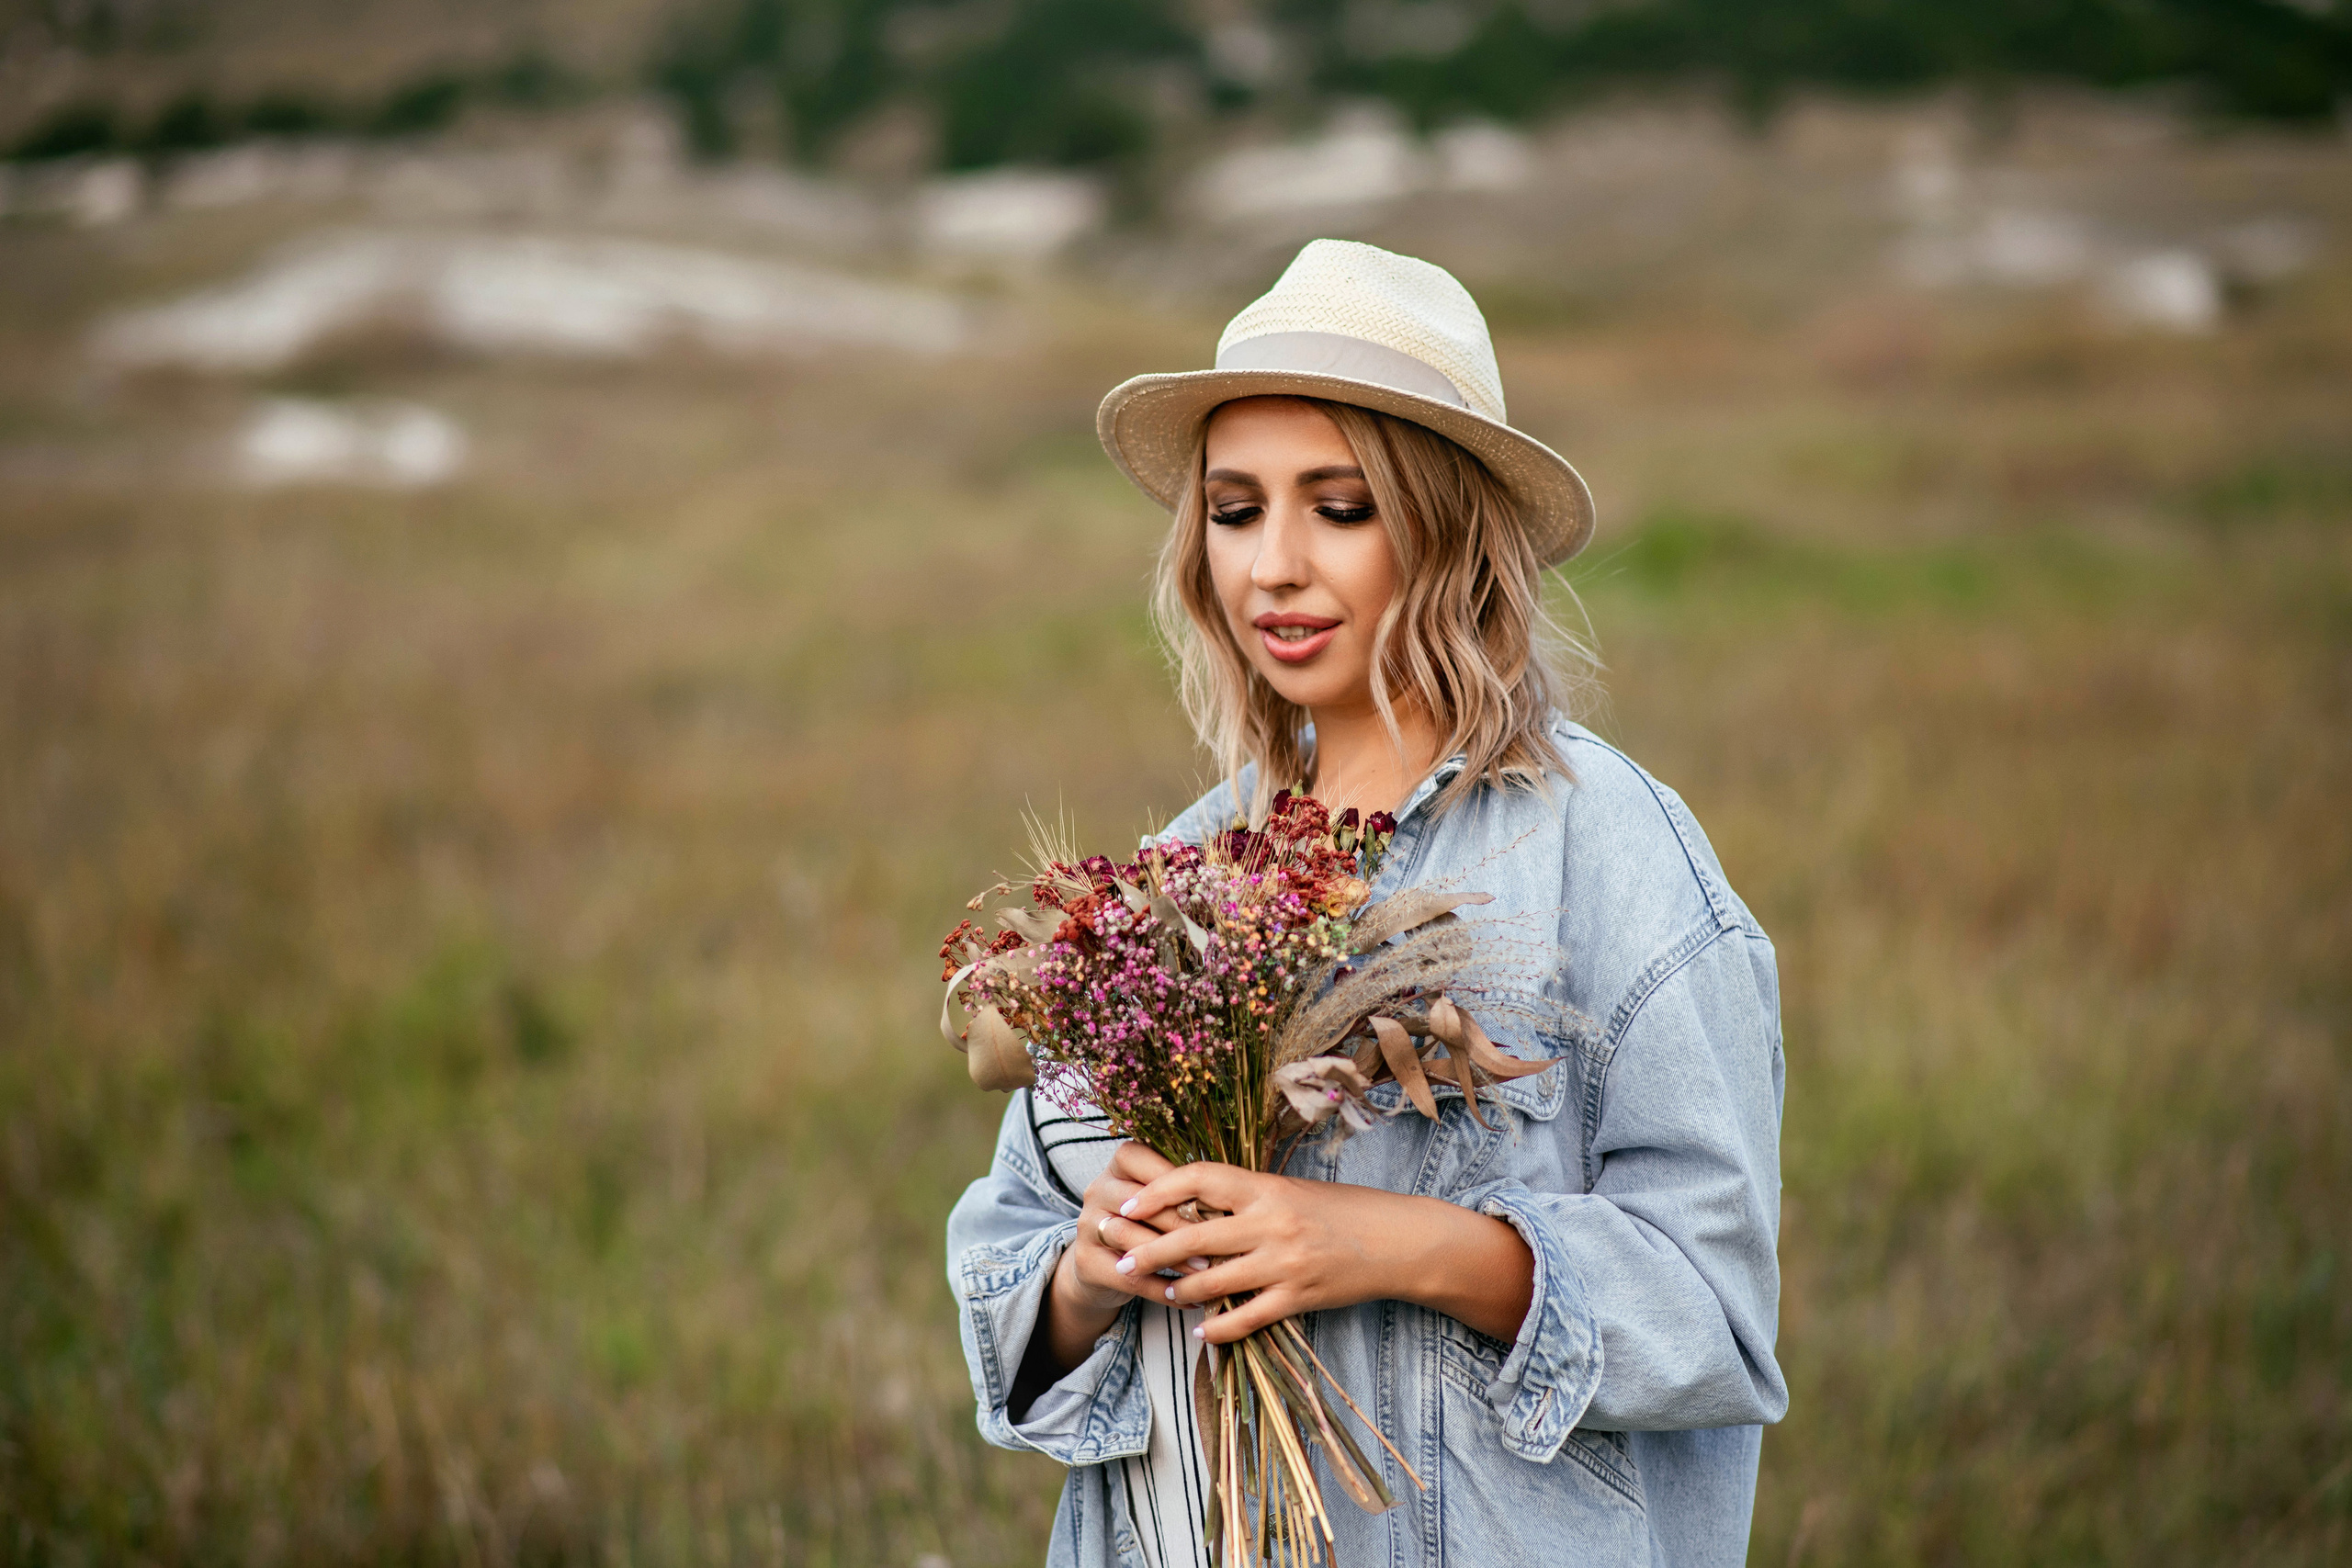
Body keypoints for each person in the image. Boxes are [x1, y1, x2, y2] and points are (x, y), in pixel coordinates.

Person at [946, 239, 1786, 1568]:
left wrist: (1390, 1242)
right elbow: (1010, 1275)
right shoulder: (1175, 880)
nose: (1274, 566)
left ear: (1448, 530)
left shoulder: (1617, 856)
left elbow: (1713, 1316)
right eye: (1235, 511)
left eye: (1339, 508)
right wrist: (1094, 1272)